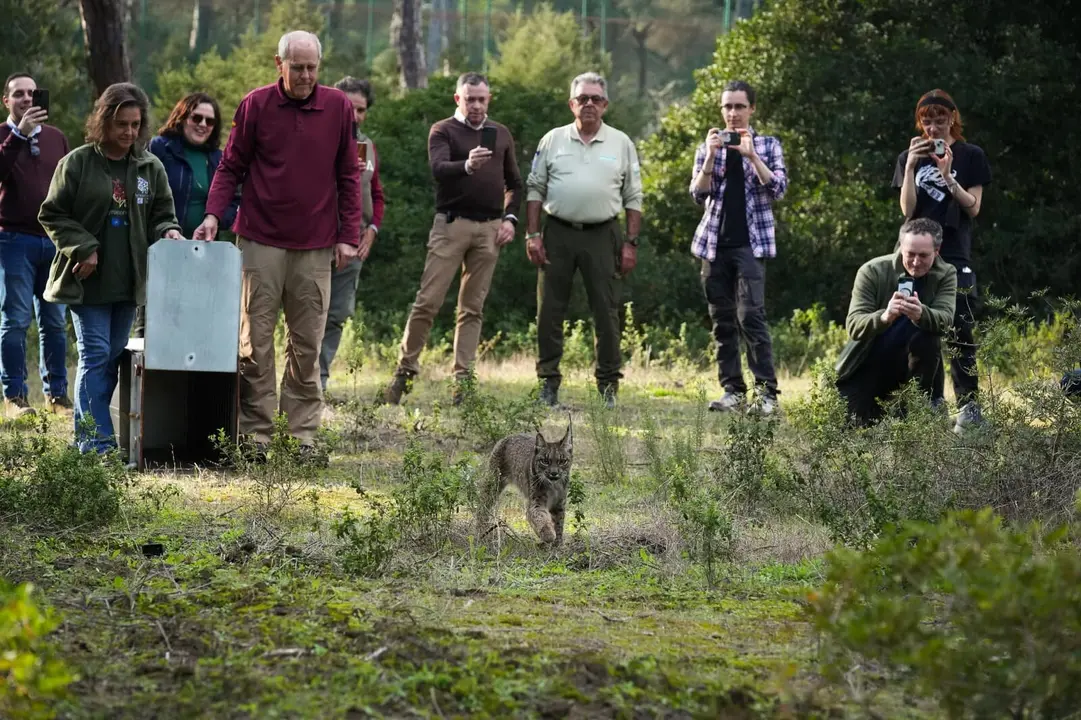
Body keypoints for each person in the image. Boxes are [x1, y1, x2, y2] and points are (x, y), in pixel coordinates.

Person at [194, 31, 362, 456]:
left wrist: (349, 236)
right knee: (256, 341)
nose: (305, 75)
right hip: (260, 238)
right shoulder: (256, 105)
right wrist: (213, 214)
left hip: (316, 243)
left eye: (312, 68)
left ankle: (301, 436)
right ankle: (255, 435)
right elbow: (231, 166)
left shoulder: (338, 107)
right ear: (279, 64)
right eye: (297, 67)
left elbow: (348, 176)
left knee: (307, 343)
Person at [38, 82, 182, 453]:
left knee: (112, 358)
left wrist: (169, 231)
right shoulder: (78, 163)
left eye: (136, 125)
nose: (129, 132)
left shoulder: (150, 167)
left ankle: (85, 437)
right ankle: (97, 445)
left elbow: (163, 214)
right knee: (95, 355)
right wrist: (83, 247)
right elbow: (51, 214)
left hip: (129, 283)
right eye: (122, 124)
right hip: (87, 283)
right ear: (104, 121)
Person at [383, 72, 521, 406]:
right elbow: (438, 168)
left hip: (489, 229)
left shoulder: (500, 133)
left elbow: (515, 183)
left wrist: (510, 219)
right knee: (428, 301)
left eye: (481, 99)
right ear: (457, 99)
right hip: (451, 225)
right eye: (469, 98)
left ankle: (462, 384)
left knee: (472, 308)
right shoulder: (443, 130)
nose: (476, 105)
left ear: (489, 100)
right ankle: (404, 372)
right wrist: (467, 165)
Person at [525, 72, 642, 409]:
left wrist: (631, 243)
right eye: (582, 98)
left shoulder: (621, 143)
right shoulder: (552, 140)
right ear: (571, 104)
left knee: (606, 312)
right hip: (557, 232)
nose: (589, 104)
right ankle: (548, 383)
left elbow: (634, 195)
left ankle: (608, 386)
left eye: (595, 99)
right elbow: (535, 188)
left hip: (603, 235)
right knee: (549, 311)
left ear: (605, 105)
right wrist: (533, 235)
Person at [893, 89, 991, 433]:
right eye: (927, 121)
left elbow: (974, 207)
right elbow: (907, 210)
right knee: (917, 328)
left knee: (960, 328)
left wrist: (948, 174)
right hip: (915, 253)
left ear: (952, 118)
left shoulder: (970, 155)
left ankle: (969, 408)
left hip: (953, 252)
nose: (933, 128)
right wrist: (909, 167)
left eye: (939, 119)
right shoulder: (910, 156)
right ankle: (929, 404)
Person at [690, 80, 787, 415]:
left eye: (739, 106)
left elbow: (778, 188)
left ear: (752, 109)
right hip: (714, 246)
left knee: (752, 318)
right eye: (727, 107)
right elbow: (697, 194)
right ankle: (733, 390)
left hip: (751, 245)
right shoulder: (710, 146)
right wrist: (711, 156)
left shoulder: (769, 145)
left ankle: (766, 394)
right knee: (722, 322)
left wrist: (751, 156)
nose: (732, 113)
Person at [133, 92, 239, 338]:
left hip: (204, 256)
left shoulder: (218, 160)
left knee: (195, 330)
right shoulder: (159, 148)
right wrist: (161, 228)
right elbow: (140, 193)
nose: (202, 125)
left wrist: (214, 219)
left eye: (209, 121)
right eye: (197, 117)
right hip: (161, 252)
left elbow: (233, 202)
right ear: (182, 117)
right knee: (152, 328)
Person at [834, 218, 957, 426]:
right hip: (868, 363)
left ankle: (923, 406)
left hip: (913, 368)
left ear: (937, 251)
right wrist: (884, 317)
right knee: (851, 430)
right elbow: (854, 326)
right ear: (901, 247)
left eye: (923, 255)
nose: (916, 262)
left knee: (928, 337)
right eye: (910, 254)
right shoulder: (872, 271)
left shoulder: (946, 274)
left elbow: (946, 321)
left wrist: (921, 314)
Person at [0, 72, 72, 416]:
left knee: (55, 321)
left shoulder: (58, 138)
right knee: (15, 320)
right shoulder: (2, 135)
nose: (27, 99)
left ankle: (56, 394)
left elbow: (70, 185)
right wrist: (18, 136)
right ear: (7, 101)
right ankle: (14, 395)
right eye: (19, 94)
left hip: (54, 242)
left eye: (32, 93)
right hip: (13, 240)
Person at [320, 76, 384, 395]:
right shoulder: (318, 139)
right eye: (349, 107)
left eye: (361, 110)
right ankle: (299, 383)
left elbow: (377, 194)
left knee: (338, 314)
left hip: (355, 243)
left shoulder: (368, 146)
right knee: (307, 315)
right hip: (317, 241)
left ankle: (319, 381)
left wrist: (373, 229)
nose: (354, 115)